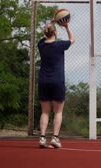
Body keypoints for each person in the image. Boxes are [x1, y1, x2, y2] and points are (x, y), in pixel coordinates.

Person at [37, 18, 75, 149]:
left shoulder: (41, 44)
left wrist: (52, 22)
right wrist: (66, 26)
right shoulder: (60, 45)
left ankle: (42, 138)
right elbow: (72, 39)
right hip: (57, 81)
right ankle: (55, 138)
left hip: (43, 81)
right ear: (55, 32)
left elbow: (46, 34)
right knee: (58, 112)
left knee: (45, 112)